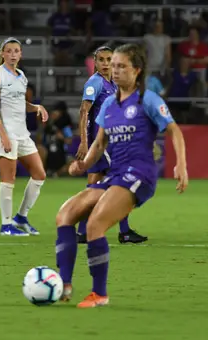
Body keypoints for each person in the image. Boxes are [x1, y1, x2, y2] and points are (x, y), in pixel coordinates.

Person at [55, 44, 188, 308]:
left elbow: (175, 131)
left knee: (94, 225)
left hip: (139, 175)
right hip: (115, 175)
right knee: (65, 214)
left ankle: (99, 294)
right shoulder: (108, 104)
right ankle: (64, 285)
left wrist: (181, 165)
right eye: (112, 65)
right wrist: (82, 165)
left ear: (137, 70)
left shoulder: (148, 99)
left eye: (121, 66)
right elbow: (99, 145)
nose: (114, 70)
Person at [76, 45, 148, 245]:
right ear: (95, 62)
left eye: (109, 60)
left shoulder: (112, 84)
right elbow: (84, 112)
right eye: (101, 60)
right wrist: (84, 141)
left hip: (109, 142)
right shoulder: (95, 83)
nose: (106, 64)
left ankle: (82, 232)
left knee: (94, 185)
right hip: (102, 144)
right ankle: (124, 232)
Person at [0, 37, 49, 236]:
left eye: (16, 51)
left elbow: (20, 103)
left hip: (22, 134)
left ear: (20, 54)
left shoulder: (21, 76)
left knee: (39, 174)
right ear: (2, 54)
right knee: (9, 178)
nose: (13, 54)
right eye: (9, 51)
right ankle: (6, 225)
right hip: (4, 133)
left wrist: (36, 107)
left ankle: (20, 217)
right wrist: (3, 135)